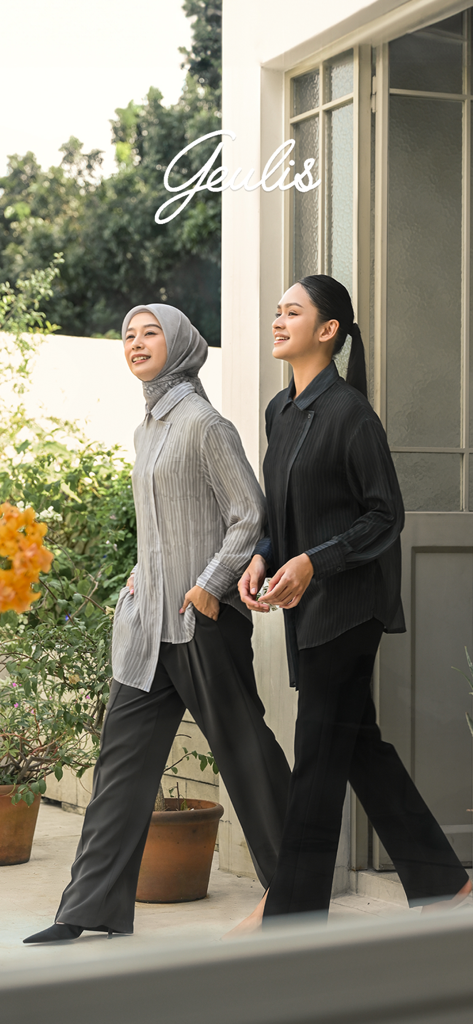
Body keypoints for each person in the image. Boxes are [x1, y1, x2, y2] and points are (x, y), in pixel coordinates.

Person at [24, 303, 290, 944]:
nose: (136, 343)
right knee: (120, 766)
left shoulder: (203, 423)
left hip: (201, 625)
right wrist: (142, 576)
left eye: (151, 333)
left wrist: (207, 587)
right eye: (127, 334)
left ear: (180, 345)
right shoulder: (147, 429)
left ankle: (298, 891)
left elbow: (249, 516)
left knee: (246, 757)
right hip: (150, 628)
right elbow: (162, 530)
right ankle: (87, 908)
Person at [231, 274, 471, 932]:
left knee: (315, 754)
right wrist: (263, 555)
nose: (277, 321)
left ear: (327, 330)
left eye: (292, 312)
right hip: (306, 606)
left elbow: (383, 517)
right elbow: (281, 511)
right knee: (355, 743)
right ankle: (442, 881)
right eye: (275, 311)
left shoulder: (350, 415)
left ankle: (291, 912)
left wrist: (312, 562)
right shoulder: (281, 412)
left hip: (349, 608)